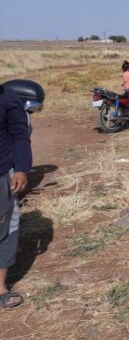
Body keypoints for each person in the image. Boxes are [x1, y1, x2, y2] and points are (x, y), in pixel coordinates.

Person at [0, 84, 31, 309]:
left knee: (6, 229)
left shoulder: (9, 98)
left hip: (2, 174)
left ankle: (0, 286)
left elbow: (20, 136)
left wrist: (21, 168)